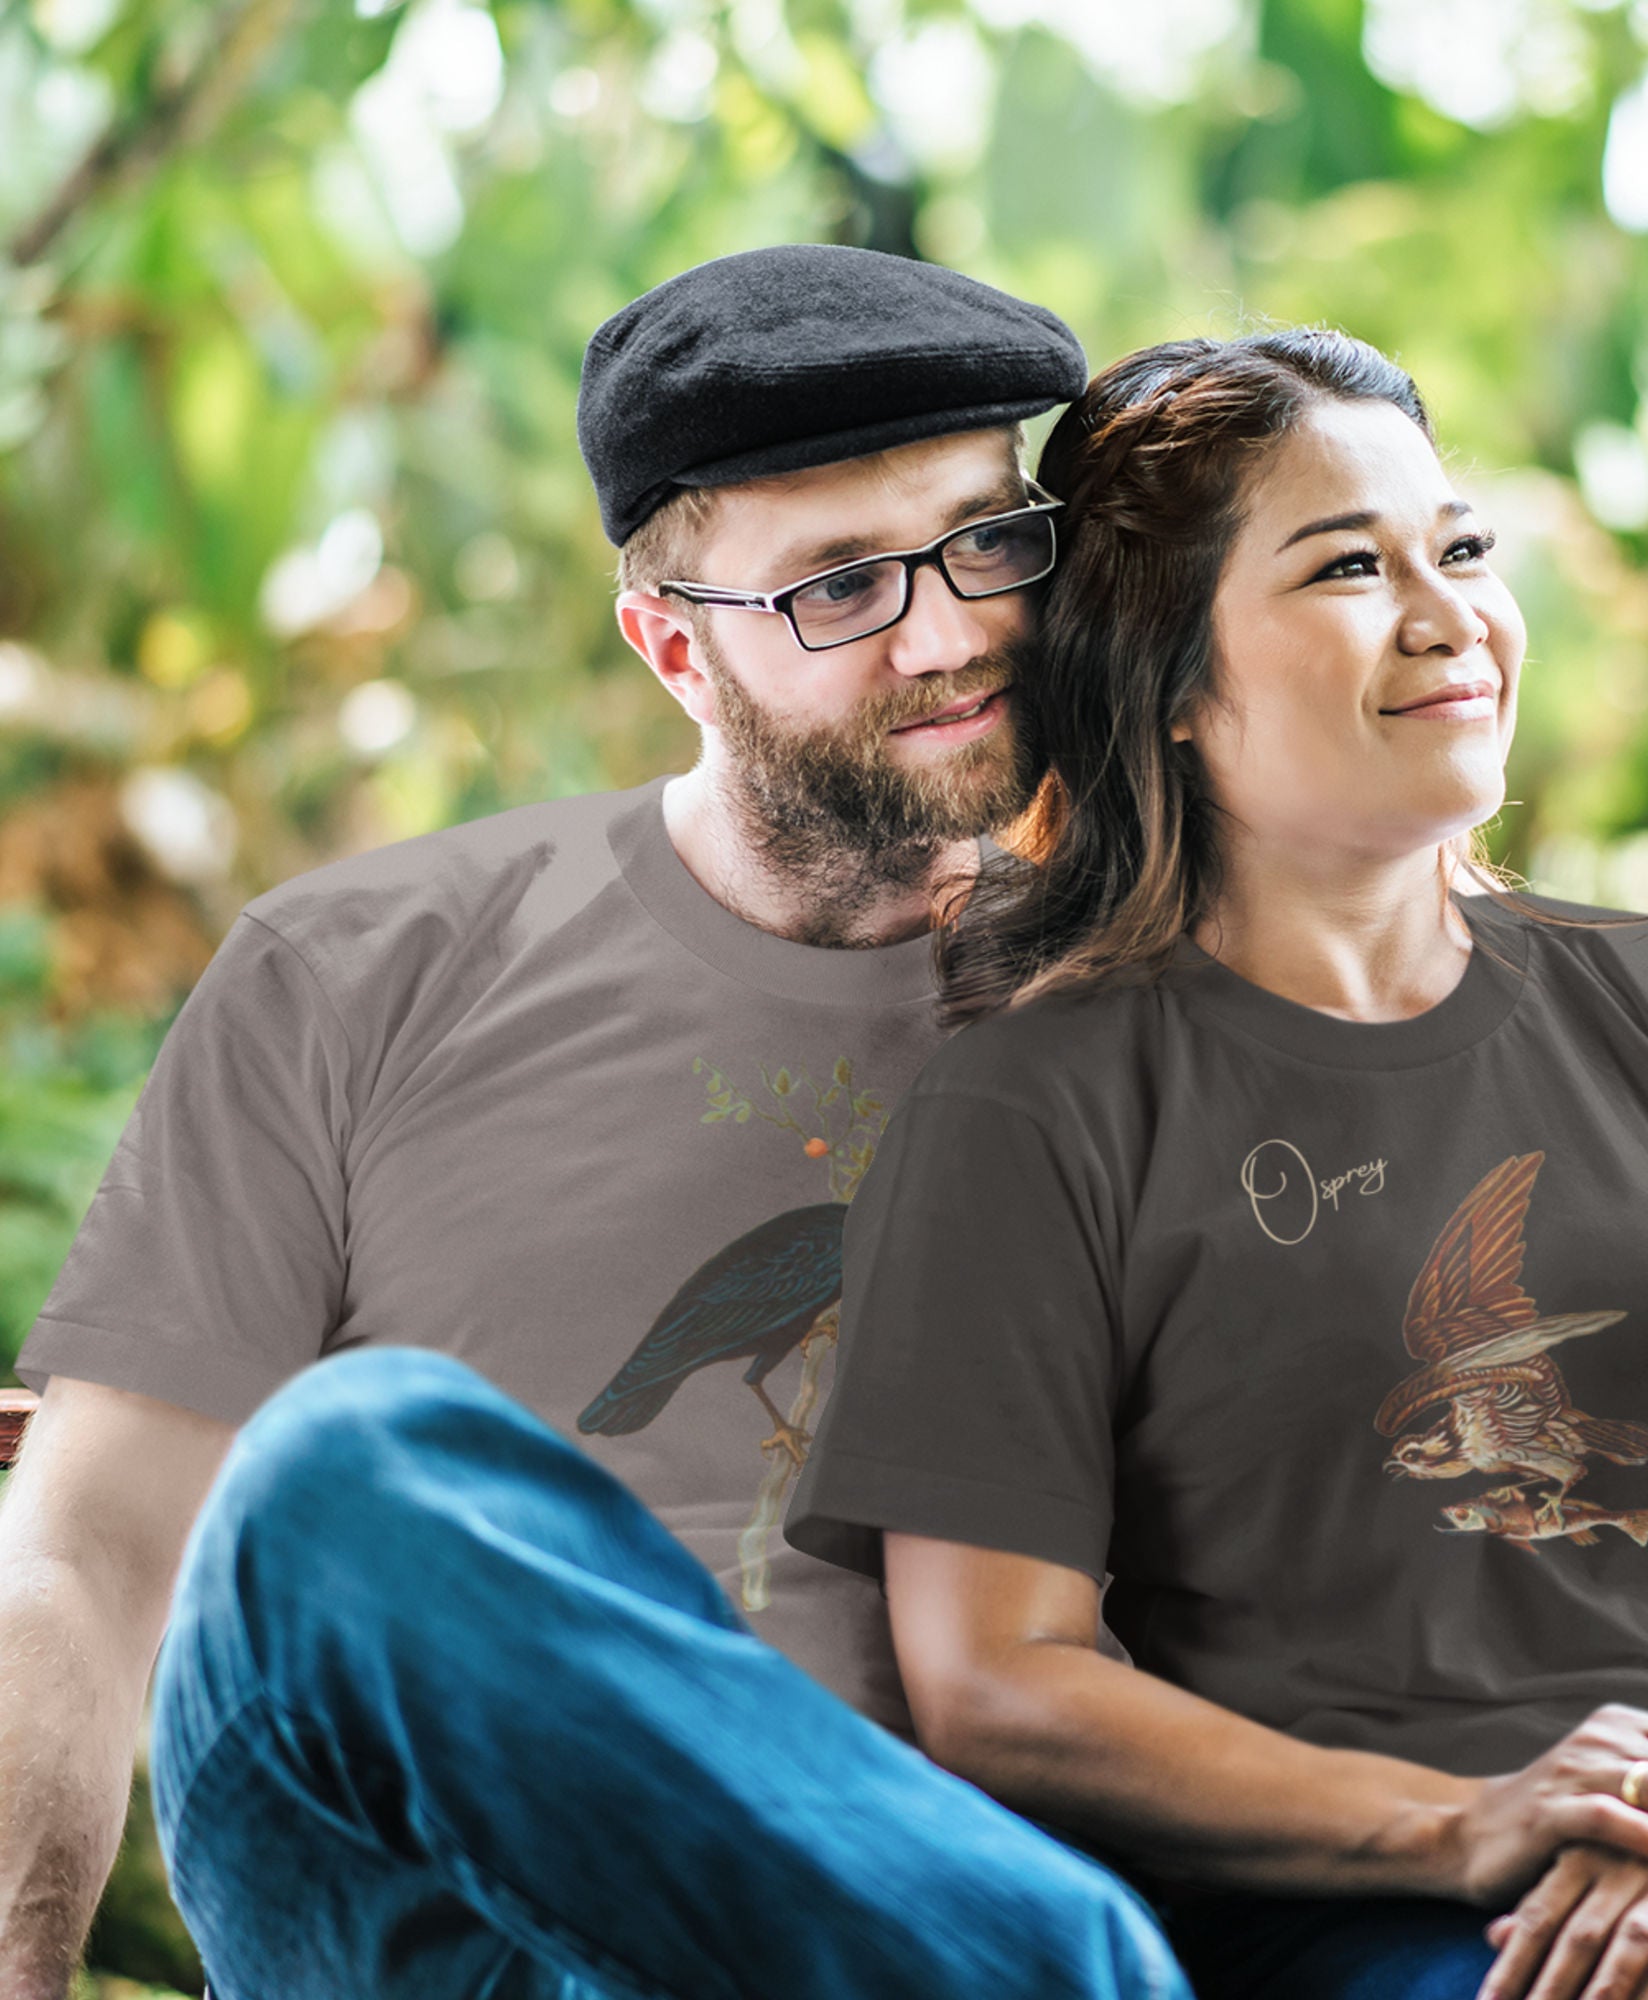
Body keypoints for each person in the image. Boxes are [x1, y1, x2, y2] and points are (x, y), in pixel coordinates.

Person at [0, 244, 1198, 2000]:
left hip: (971, 1914)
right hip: (479, 1947)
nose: (946, 630)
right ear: (668, 648)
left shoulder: (1182, 997)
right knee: (343, 1475)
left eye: (978, 540)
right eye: (839, 588)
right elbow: (90, 1557)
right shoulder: (354, 975)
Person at [785, 328, 1648, 2000]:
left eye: (1464, 548)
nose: (1450, 615)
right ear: (1178, 686)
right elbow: (999, 1679)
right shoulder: (1031, 1106)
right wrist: (1468, 1823)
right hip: (1397, 1888)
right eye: (1350, 566)